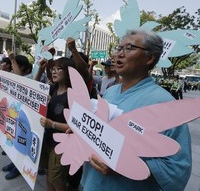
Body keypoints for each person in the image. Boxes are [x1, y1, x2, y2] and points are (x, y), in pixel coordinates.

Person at [81, 29, 192, 191]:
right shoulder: (111, 92)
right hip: (92, 183)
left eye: (129, 48)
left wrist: (127, 167)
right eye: (119, 48)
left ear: (149, 57)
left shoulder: (164, 103)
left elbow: (178, 167)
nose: (119, 54)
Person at [39, 56, 76, 191]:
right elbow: (32, 87)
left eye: (58, 69)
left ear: (68, 72)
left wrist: (52, 124)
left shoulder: (72, 95)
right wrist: (41, 69)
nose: (54, 72)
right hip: (48, 141)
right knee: (48, 175)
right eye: (53, 69)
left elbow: (75, 127)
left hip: (61, 146)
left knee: (57, 180)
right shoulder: (53, 89)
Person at [1, 53, 33, 180]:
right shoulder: (13, 76)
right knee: (13, 141)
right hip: (15, 115)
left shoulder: (29, 78)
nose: (13, 68)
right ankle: (13, 162)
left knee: (21, 144)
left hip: (25, 121)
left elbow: (20, 81)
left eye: (15, 65)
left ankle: (18, 168)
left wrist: (12, 59)